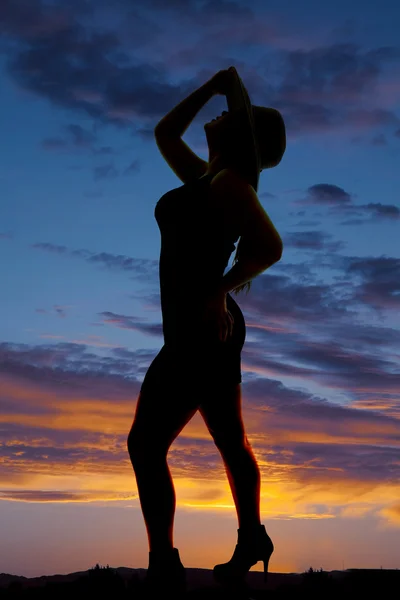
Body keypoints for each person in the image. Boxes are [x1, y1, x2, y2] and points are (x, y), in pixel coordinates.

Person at [127, 67, 286, 595]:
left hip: (203, 328)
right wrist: (212, 88)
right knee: (227, 439)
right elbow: (165, 133)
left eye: (226, 117)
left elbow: (270, 248)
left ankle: (163, 566)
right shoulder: (205, 177)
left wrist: (220, 289)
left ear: (242, 134)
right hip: (198, 327)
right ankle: (252, 538)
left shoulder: (229, 183)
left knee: (146, 444)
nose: (213, 118)